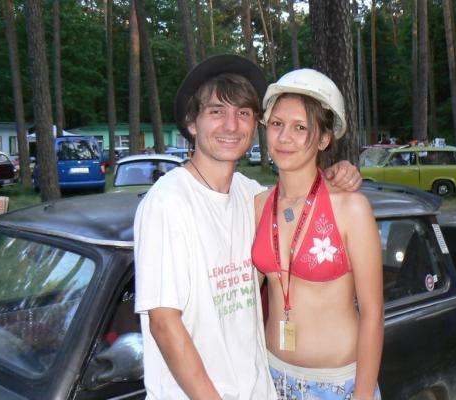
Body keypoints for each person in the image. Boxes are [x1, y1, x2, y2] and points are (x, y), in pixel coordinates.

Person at [133, 55, 362, 400]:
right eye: (216, 111)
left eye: (243, 113)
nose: (231, 125)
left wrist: (337, 174)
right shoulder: (167, 203)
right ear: (191, 123)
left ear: (255, 124)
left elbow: (301, 198)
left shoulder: (250, 196)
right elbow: (164, 324)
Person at [252, 69, 384, 400]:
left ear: (324, 139)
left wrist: (363, 396)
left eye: (300, 127)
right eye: (277, 124)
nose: (284, 137)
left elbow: (373, 314)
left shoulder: (351, 209)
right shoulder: (257, 204)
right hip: (271, 379)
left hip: (337, 386)